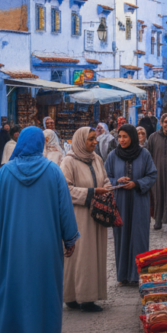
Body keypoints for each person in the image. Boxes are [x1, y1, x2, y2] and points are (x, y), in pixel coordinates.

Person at [0, 126, 79, 333]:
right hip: (46, 244)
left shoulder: (5, 173)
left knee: (12, 289)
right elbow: (65, 209)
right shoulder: (53, 171)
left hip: (12, 244)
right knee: (45, 289)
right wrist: (70, 238)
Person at [60, 127, 113, 311]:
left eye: (95, 138)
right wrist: (92, 192)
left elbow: (105, 179)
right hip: (79, 216)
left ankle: (88, 295)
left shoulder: (96, 159)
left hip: (97, 214)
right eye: (90, 139)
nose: (94, 142)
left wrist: (107, 189)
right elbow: (65, 189)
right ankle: (75, 296)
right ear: (81, 141)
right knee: (80, 256)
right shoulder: (68, 161)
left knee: (93, 255)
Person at [105, 125, 157, 285]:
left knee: (139, 236)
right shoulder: (113, 156)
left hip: (139, 200)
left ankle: (137, 275)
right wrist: (116, 181)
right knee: (121, 236)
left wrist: (136, 183)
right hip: (120, 202)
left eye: (125, 136)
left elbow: (152, 174)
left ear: (132, 137)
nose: (121, 140)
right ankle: (123, 275)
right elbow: (105, 177)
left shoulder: (144, 154)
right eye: (119, 136)